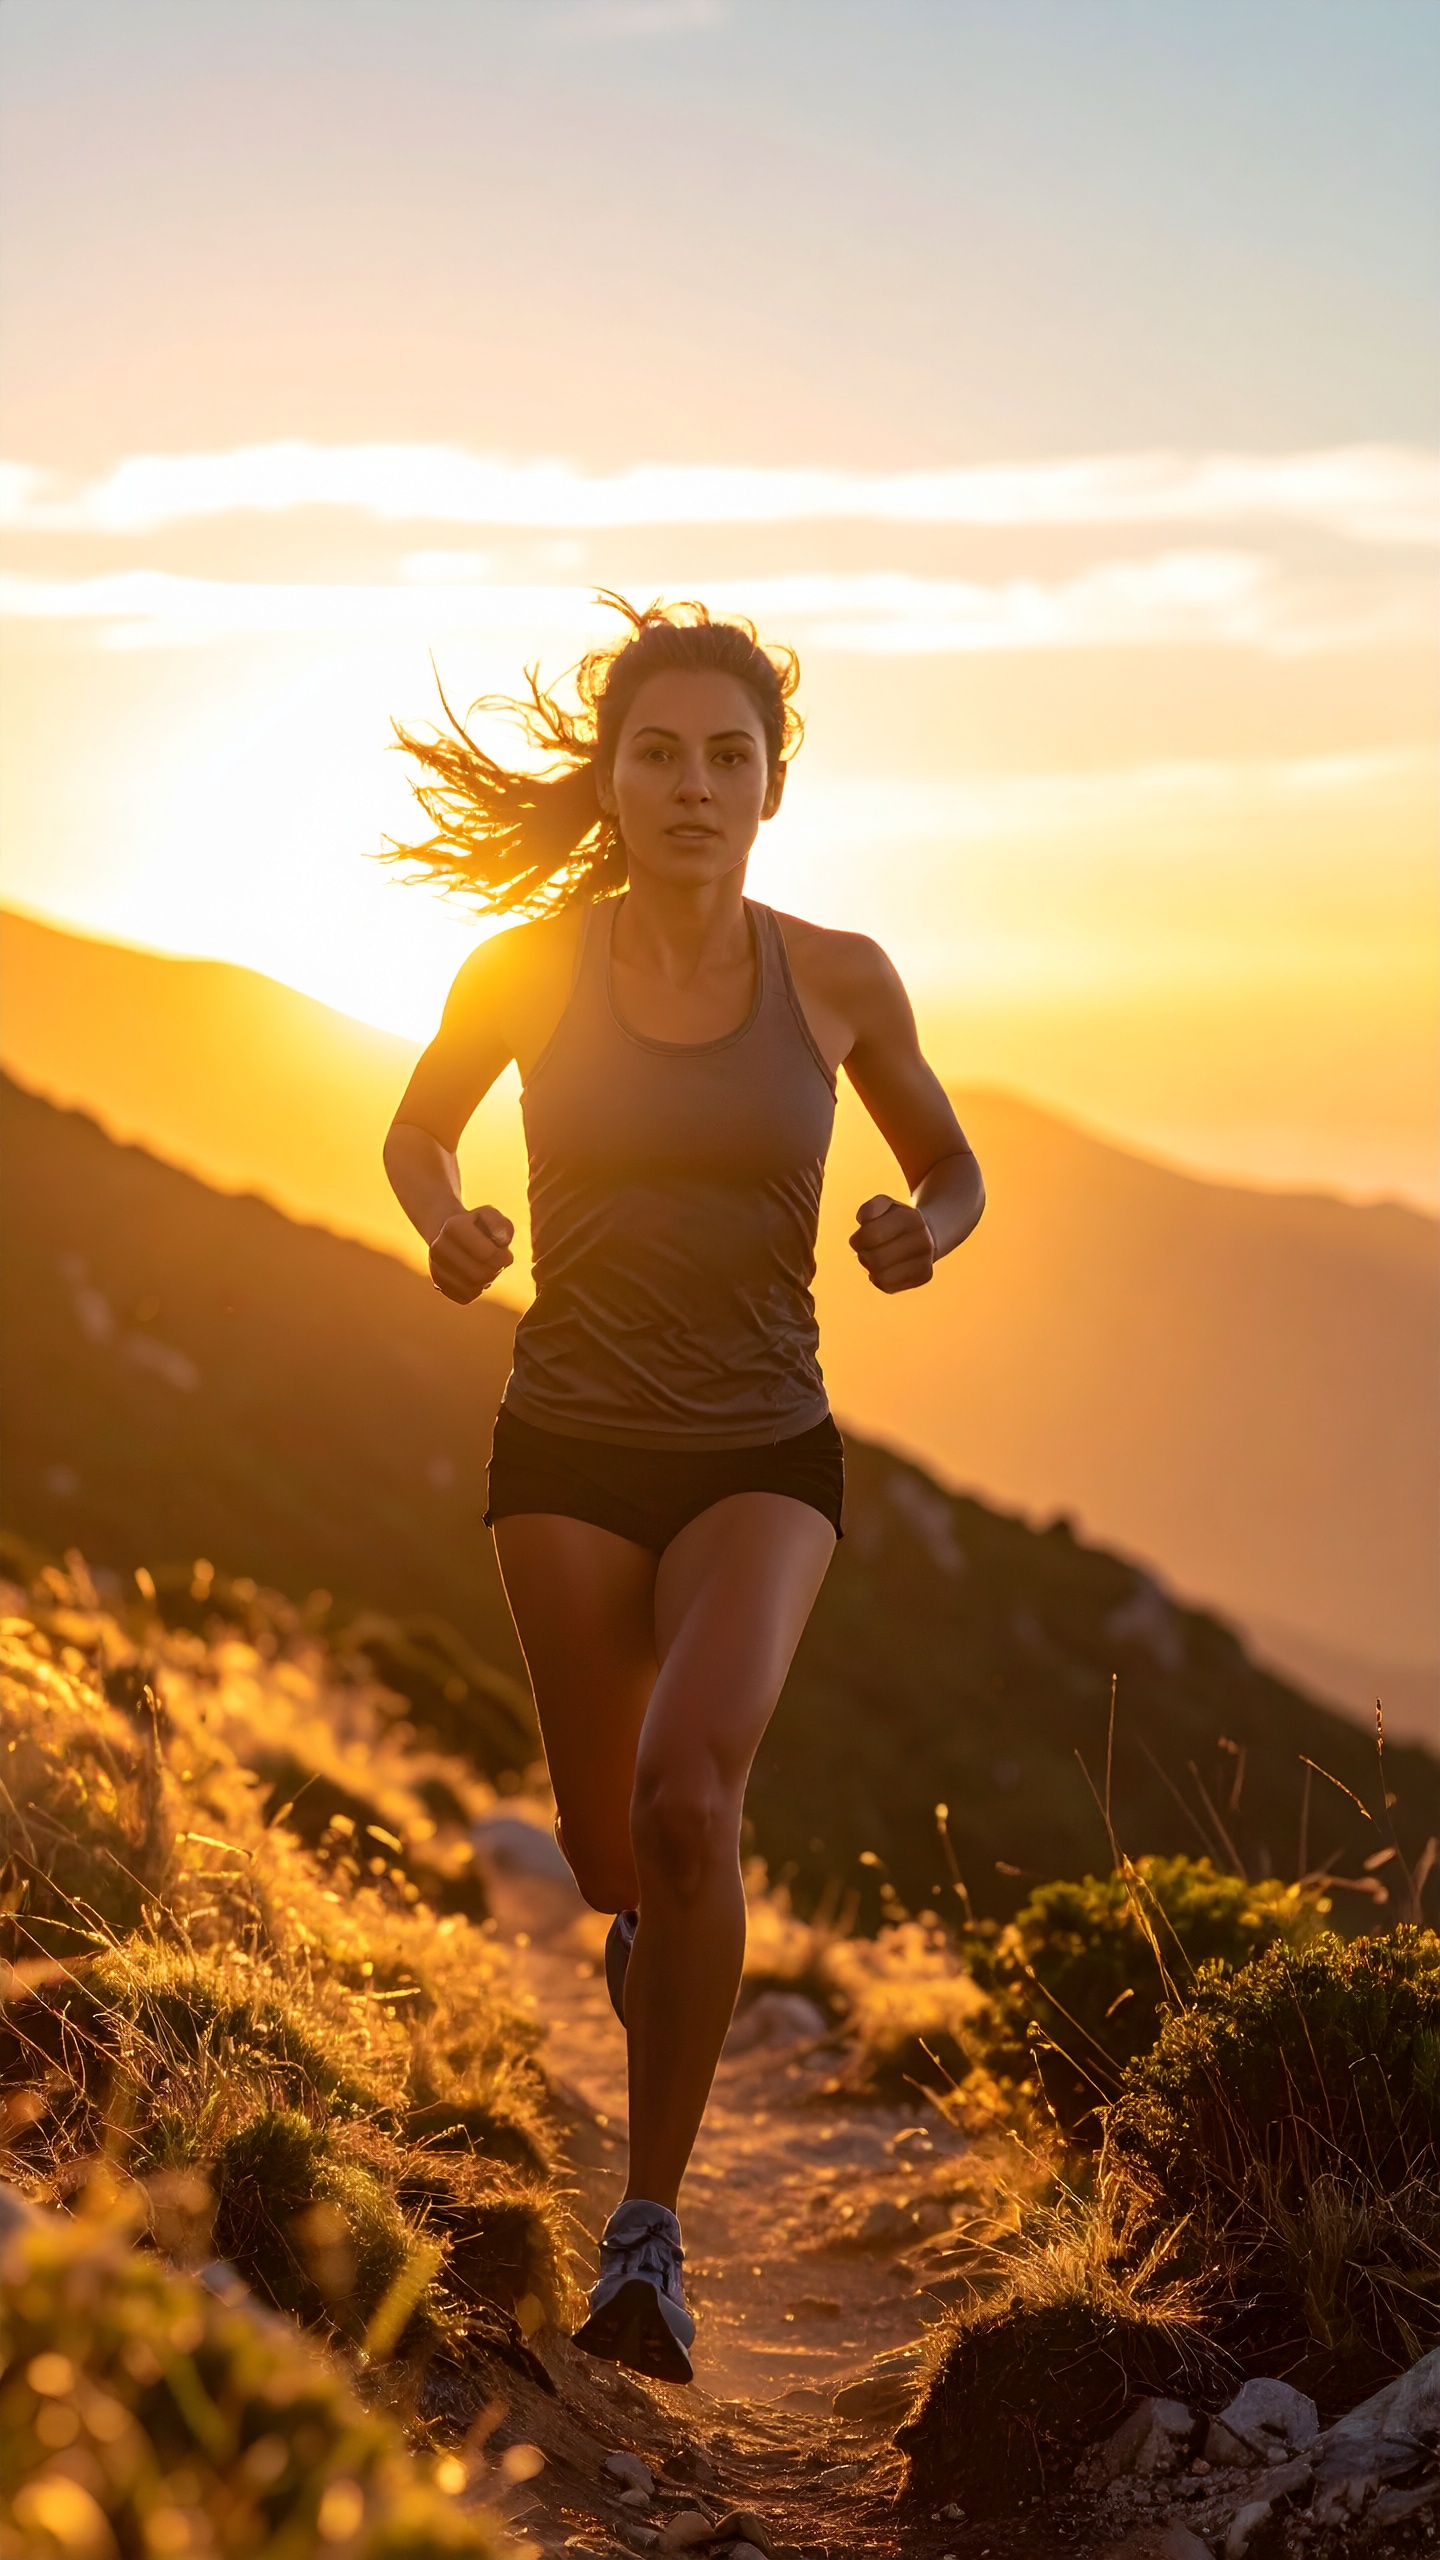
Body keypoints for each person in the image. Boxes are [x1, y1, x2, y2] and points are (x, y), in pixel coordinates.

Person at [382, 597, 983, 2384]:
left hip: (760, 1453)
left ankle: (646, 2239)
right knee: (602, 1848)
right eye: (661, 753)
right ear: (614, 778)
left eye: (731, 756)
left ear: (774, 787)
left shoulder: (843, 976)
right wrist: (447, 1223)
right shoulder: (524, 966)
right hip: (565, 1447)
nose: (694, 786)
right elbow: (419, 1126)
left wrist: (916, 1232)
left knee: (691, 1795)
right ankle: (648, 1922)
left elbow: (949, 1162)